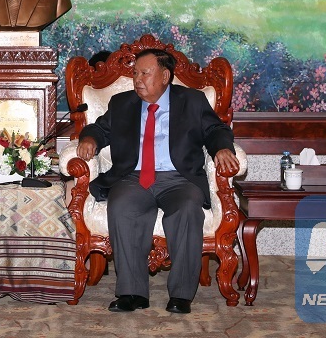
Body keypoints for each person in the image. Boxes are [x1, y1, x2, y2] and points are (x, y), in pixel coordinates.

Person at [76, 49, 240, 314]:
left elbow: (215, 129)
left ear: (165, 76)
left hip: (179, 179)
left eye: (145, 73)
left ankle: (181, 295)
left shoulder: (192, 100)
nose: (137, 79)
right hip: (133, 177)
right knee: (121, 205)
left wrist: (222, 148)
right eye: (135, 73)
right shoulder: (122, 103)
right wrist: (89, 139)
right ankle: (132, 293)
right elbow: (100, 128)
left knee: (187, 209)